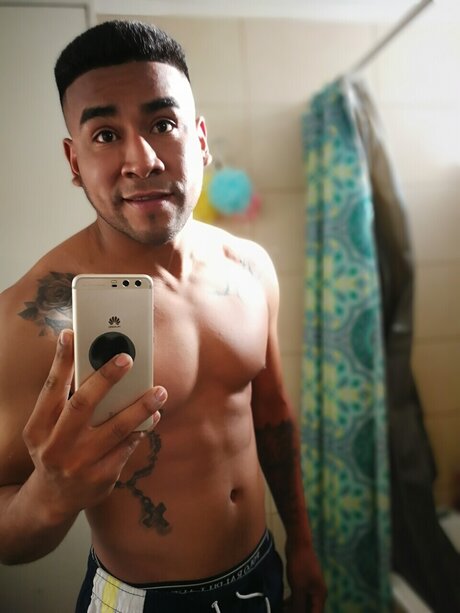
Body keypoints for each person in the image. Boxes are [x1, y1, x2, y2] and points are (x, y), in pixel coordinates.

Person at [0, 20, 326, 613]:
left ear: (199, 139)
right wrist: (49, 495)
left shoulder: (249, 267)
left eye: (163, 124)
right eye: (105, 134)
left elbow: (272, 417)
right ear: (74, 161)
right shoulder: (35, 317)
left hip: (263, 569)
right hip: (141, 600)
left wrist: (301, 543)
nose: (142, 159)